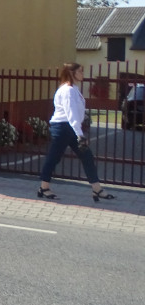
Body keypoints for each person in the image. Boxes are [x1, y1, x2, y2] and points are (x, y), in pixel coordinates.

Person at [38, 62, 116, 203]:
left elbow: (76, 113)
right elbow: (71, 113)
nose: (82, 74)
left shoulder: (74, 89)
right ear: (72, 73)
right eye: (80, 71)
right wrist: (80, 134)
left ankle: (97, 189)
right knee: (54, 157)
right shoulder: (68, 90)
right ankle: (44, 188)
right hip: (63, 128)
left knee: (87, 156)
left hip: (71, 128)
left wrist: (78, 129)